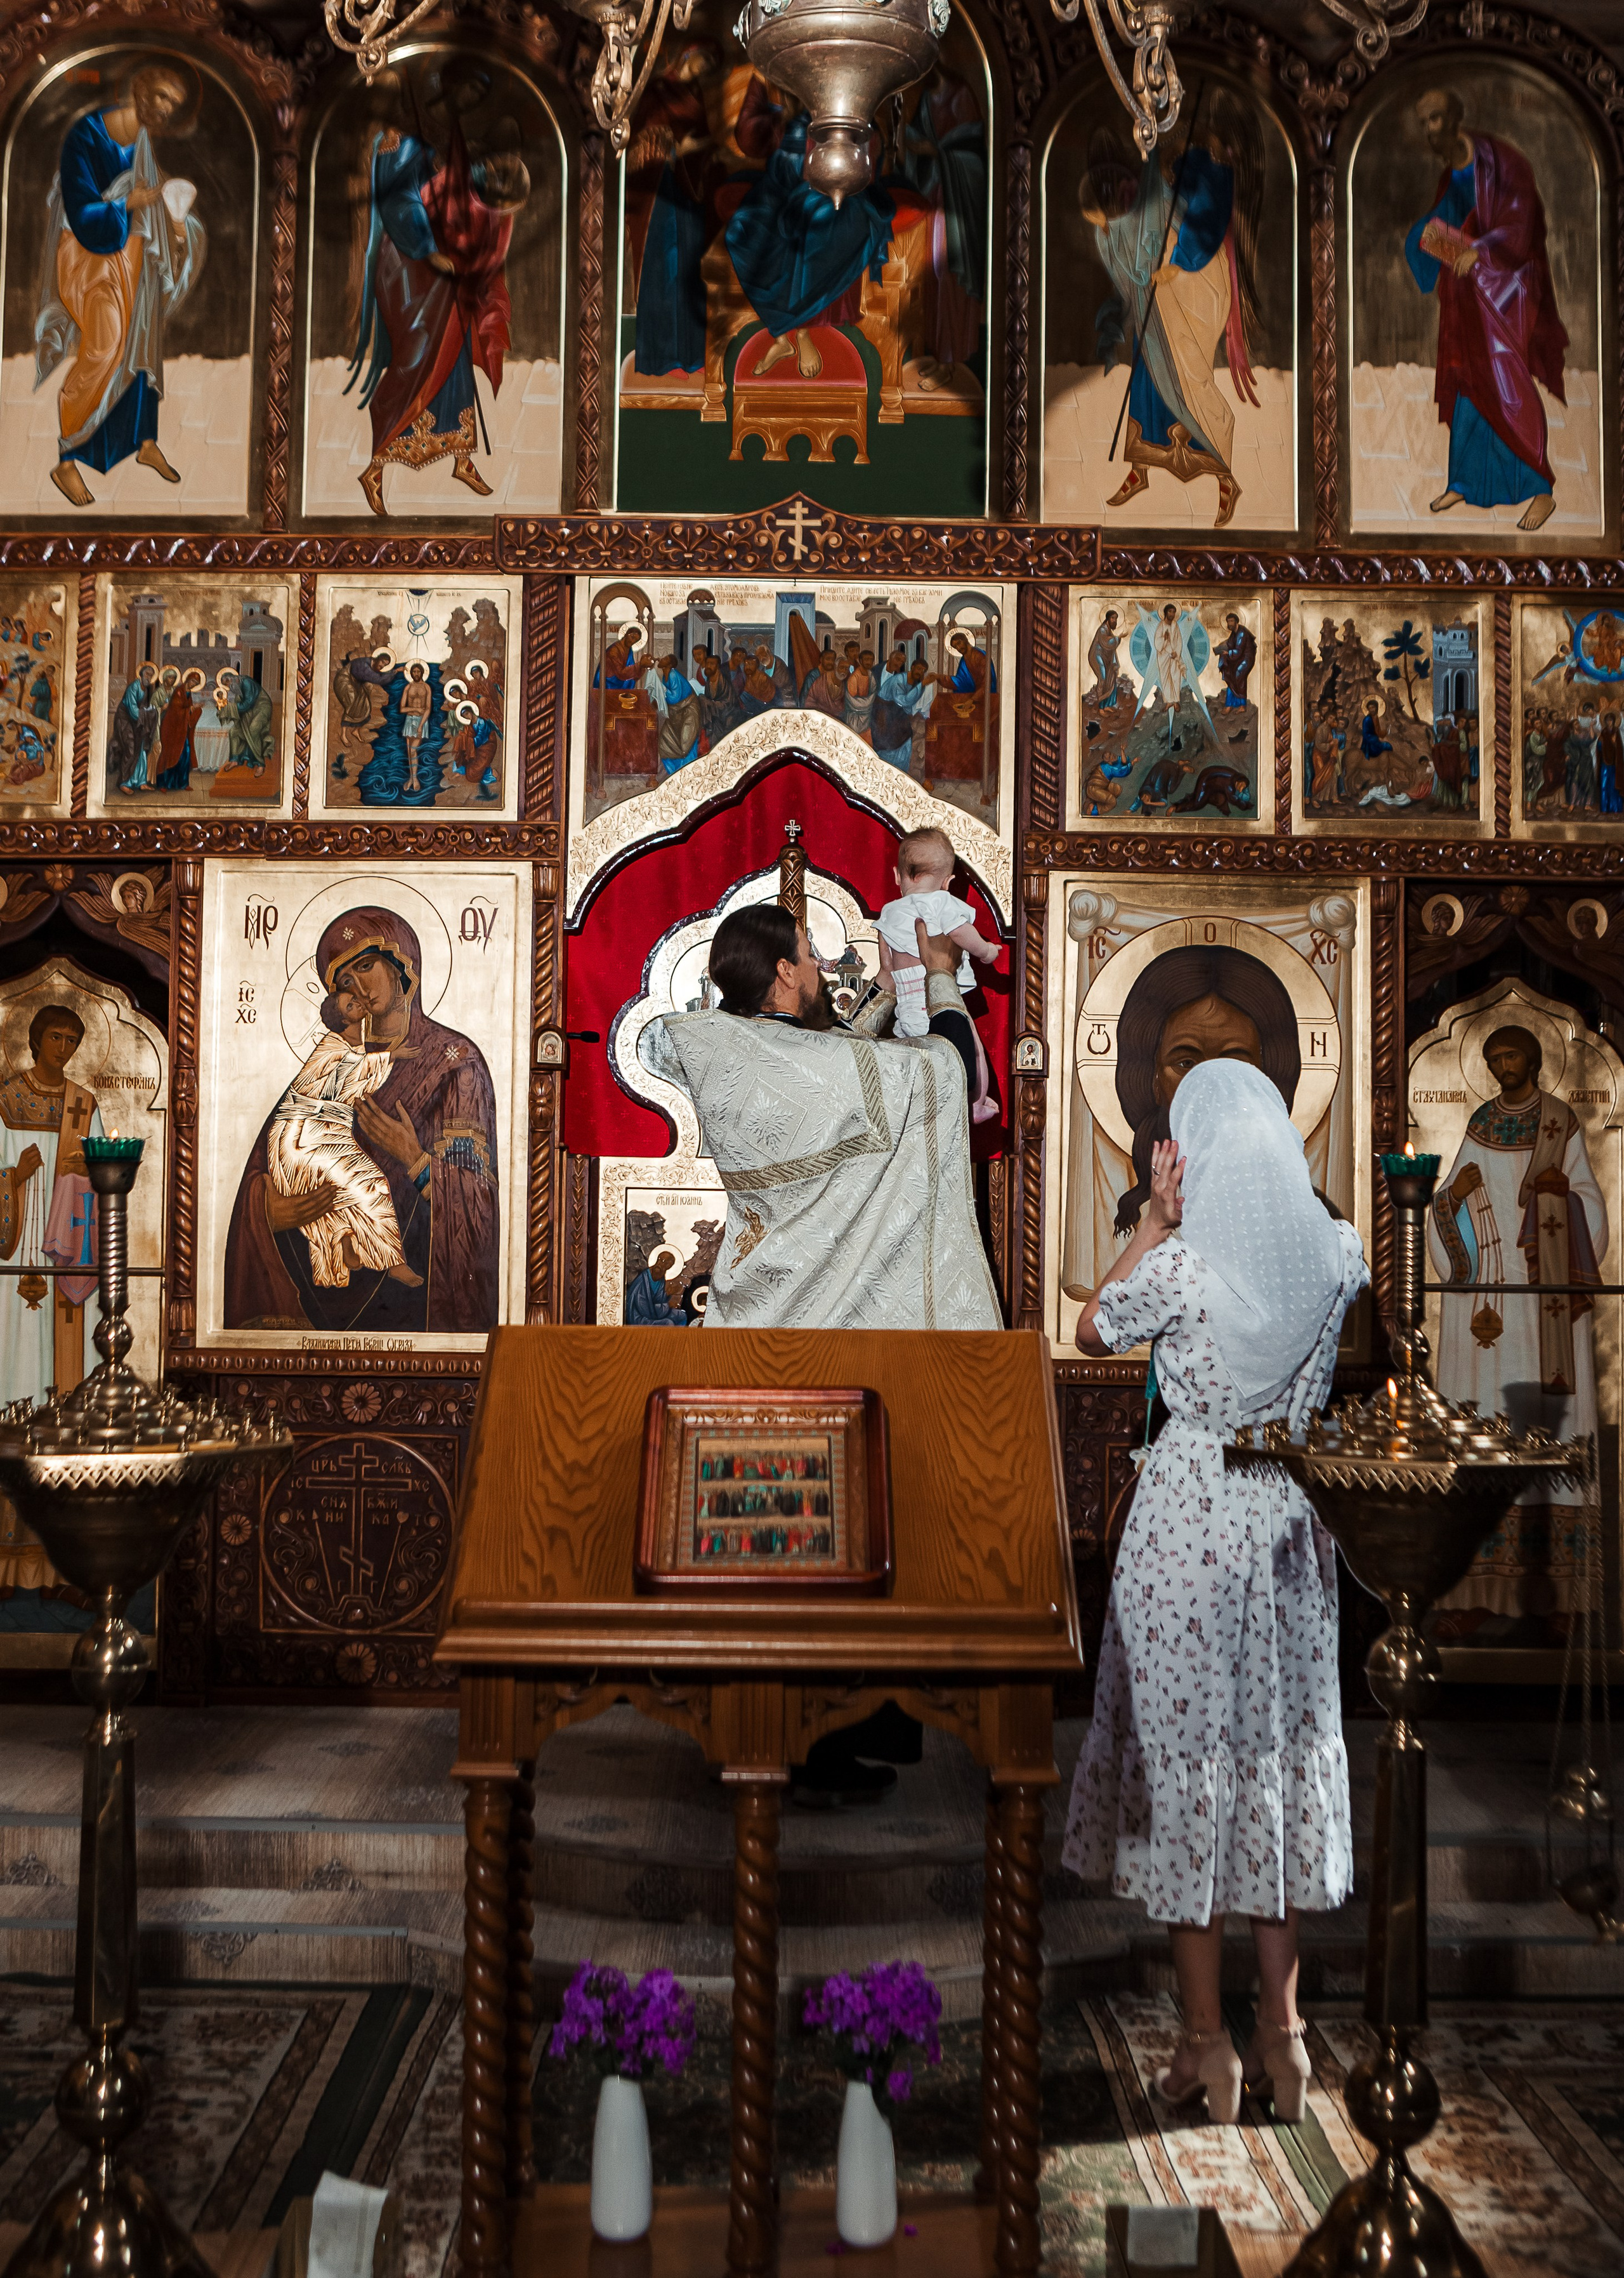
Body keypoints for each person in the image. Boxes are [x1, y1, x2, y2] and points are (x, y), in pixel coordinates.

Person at [1065, 1060, 1368, 2121]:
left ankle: (1208, 2048)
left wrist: (1152, 1218)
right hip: (1290, 1520)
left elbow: (1091, 1327)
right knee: (1272, 1766)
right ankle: (1286, 2045)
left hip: (1189, 1520)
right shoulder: (1338, 1252)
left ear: (1187, 1153)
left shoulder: (1184, 1268)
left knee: (1193, 1770)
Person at [649, 899, 999, 1333]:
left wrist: (885, 987)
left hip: (750, 1316)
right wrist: (942, 975)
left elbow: (833, 1062)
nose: (818, 967)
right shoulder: (828, 1062)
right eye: (810, 955)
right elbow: (950, 1067)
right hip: (840, 1331)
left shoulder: (716, 1053)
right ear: (786, 971)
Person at [223, 907, 499, 1334]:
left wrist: (413, 1157)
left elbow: (477, 1199)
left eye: (367, 966)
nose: (361, 987)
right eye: (346, 981)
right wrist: (267, 1213)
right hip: (315, 1302)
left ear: (402, 965)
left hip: (415, 1311)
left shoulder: (454, 1066)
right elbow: (271, 1159)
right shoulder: (329, 1060)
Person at [1429, 1024, 1606, 1631]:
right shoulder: (1480, 1123)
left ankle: (1560, 1599)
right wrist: (1454, 1197)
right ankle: (1476, 1594)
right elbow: (1449, 1200)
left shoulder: (1558, 1122)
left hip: (1544, 1297)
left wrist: (1564, 1197)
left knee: (1548, 1434)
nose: (1504, 1065)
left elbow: (1590, 1202)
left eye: (1512, 1056)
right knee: (1482, 1422)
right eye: (1495, 1057)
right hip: (1491, 1299)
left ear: (1531, 1061)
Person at [346, 79, 530, 517]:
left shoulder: (440, 141)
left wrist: (495, 183)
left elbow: (457, 187)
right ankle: (375, 467)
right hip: (410, 267)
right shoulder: (400, 143)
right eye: (460, 96)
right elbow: (398, 201)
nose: (461, 105)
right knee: (417, 357)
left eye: (471, 99)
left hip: (442, 265)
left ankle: (461, 458)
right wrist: (430, 249)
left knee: (456, 348)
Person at [36, 64, 204, 510]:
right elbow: (81, 207)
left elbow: (158, 190)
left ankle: (143, 441)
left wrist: (176, 218)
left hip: (133, 253)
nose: (166, 109)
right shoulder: (86, 135)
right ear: (139, 89)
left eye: (173, 103)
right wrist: (129, 202)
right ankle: (68, 456)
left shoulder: (144, 139)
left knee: (143, 343)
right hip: (88, 256)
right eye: (162, 96)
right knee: (105, 349)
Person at [1403, 88, 1566, 534]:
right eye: (1424, 123)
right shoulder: (1450, 174)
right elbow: (1448, 219)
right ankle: (1464, 482)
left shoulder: (1501, 163)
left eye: (1435, 119)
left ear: (1455, 117)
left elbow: (1522, 220)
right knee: (1468, 383)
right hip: (1468, 295)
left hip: (1506, 289)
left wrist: (1483, 250)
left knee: (1506, 378)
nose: (1430, 130)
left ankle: (1541, 487)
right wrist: (1425, 236)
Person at [267, 982, 422, 1294]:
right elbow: (350, 1071)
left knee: (337, 1197)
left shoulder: (355, 1051)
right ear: (344, 1020)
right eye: (352, 1005)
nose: (360, 1005)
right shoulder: (330, 1048)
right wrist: (390, 1056)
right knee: (369, 1182)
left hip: (330, 1133)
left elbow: (357, 1082)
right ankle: (392, 1263)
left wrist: (383, 1058)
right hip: (301, 1135)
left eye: (356, 1002)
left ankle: (342, 1244)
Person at [875, 825, 999, 1122]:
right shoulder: (942, 902)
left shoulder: (888, 913)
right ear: (948, 882)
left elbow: (887, 966)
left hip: (906, 1006)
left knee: (912, 1058)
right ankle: (975, 1103)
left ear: (896, 875)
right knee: (972, 1051)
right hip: (936, 1003)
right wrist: (986, 951)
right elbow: (960, 932)